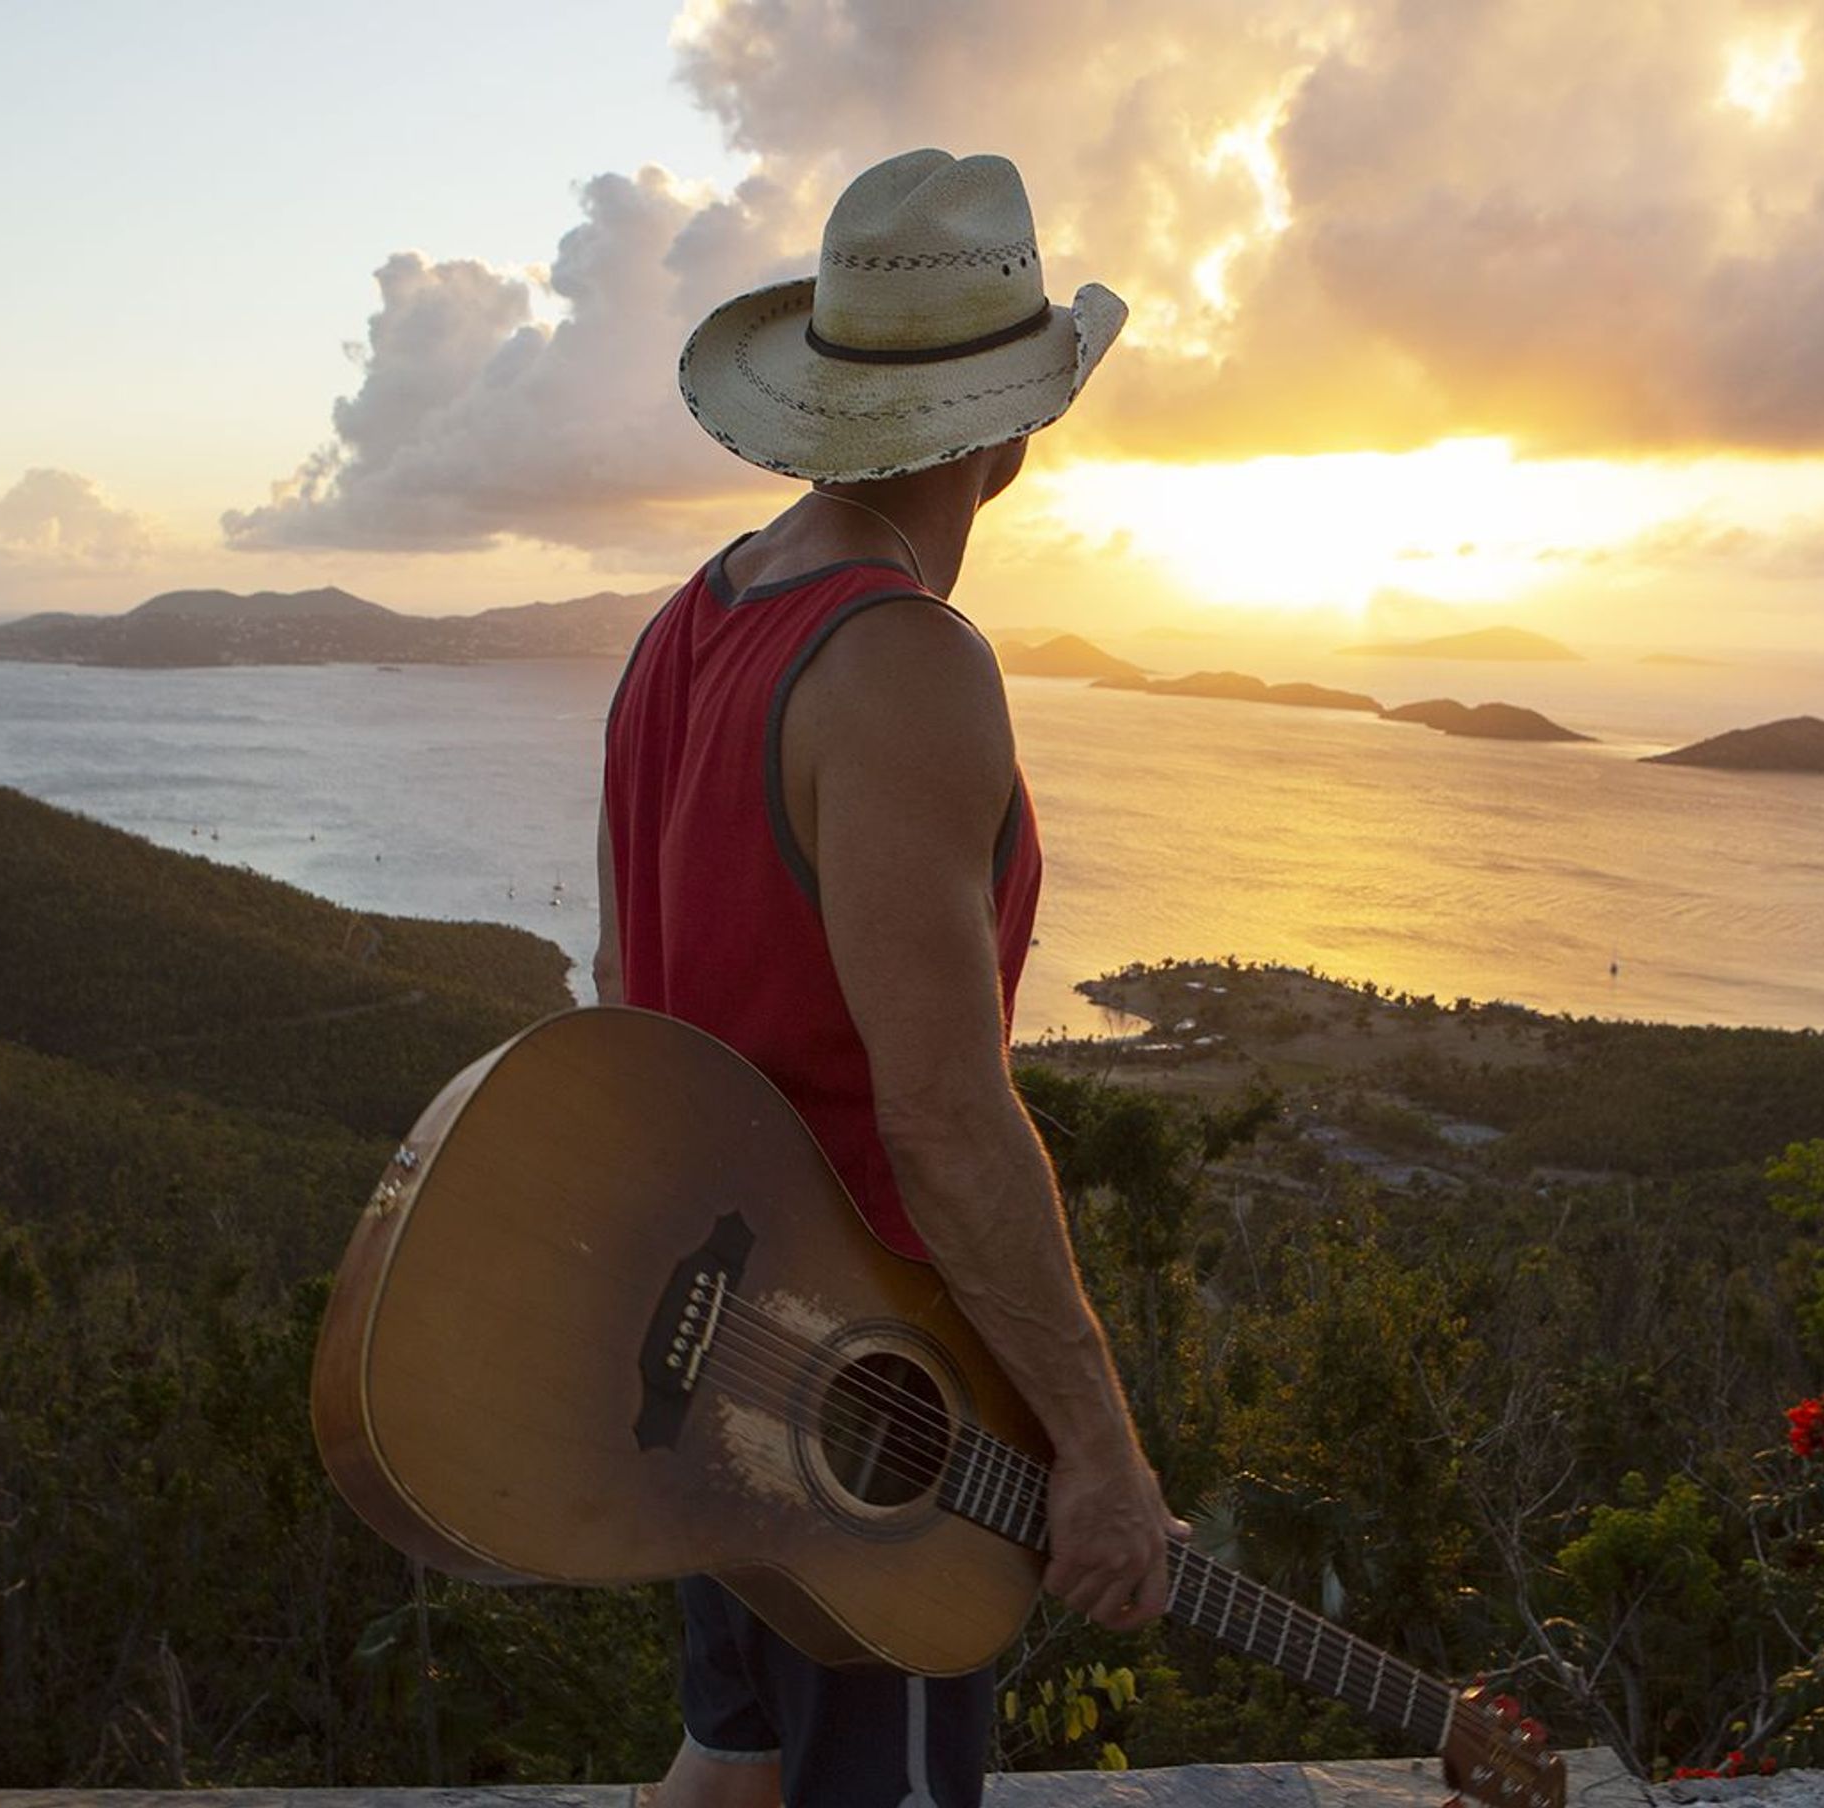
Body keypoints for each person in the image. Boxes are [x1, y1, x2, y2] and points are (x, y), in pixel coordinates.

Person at [598, 149, 1179, 1808]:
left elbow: (621, 998)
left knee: (731, 1768)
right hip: (865, 1414)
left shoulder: (684, 629)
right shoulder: (906, 663)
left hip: (713, 1354)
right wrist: (1102, 1453)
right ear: (1014, 431)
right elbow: (941, 1118)